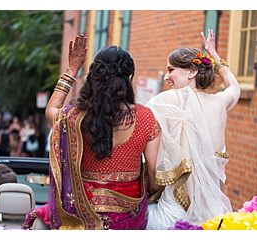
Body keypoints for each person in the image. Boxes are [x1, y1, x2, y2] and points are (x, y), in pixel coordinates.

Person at [25, 36, 160, 230]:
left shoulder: (76, 117)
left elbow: (50, 110)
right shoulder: (147, 118)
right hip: (128, 219)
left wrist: (72, 70)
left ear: (94, 77)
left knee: (41, 218)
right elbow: (154, 178)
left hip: (80, 214)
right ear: (129, 78)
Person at [145, 29, 238, 229]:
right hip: (215, 215)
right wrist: (214, 55)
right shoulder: (220, 102)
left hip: (174, 215)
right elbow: (234, 87)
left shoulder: (165, 101)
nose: (167, 77)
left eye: (171, 70)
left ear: (192, 72)